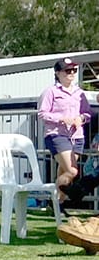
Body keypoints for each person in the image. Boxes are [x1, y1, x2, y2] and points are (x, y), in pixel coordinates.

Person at [38, 57, 90, 202]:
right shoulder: (50, 92)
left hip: (77, 136)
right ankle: (52, 197)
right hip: (57, 134)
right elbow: (42, 114)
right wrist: (61, 118)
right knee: (72, 170)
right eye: (68, 71)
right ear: (58, 73)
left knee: (64, 170)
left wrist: (81, 119)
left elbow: (87, 113)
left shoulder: (79, 93)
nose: (72, 73)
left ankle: (57, 203)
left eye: (74, 70)